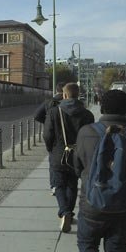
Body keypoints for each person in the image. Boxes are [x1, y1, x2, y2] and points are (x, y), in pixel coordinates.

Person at [74, 89, 126, 252]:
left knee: (87, 243)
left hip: (92, 203)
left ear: (102, 108)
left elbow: (77, 166)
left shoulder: (86, 132)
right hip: (123, 206)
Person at [43, 82, 94, 233]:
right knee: (72, 184)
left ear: (64, 95)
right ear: (77, 95)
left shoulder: (53, 112)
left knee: (59, 185)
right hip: (77, 155)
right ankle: (69, 214)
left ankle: (64, 212)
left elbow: (47, 135)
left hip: (58, 153)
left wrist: (51, 149)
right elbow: (89, 137)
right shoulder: (87, 114)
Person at [34, 82, 65, 195]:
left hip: (54, 134)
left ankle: (54, 185)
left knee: (53, 161)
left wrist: (47, 123)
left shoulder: (49, 102)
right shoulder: (70, 101)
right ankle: (67, 184)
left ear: (56, 90)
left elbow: (37, 115)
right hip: (69, 135)